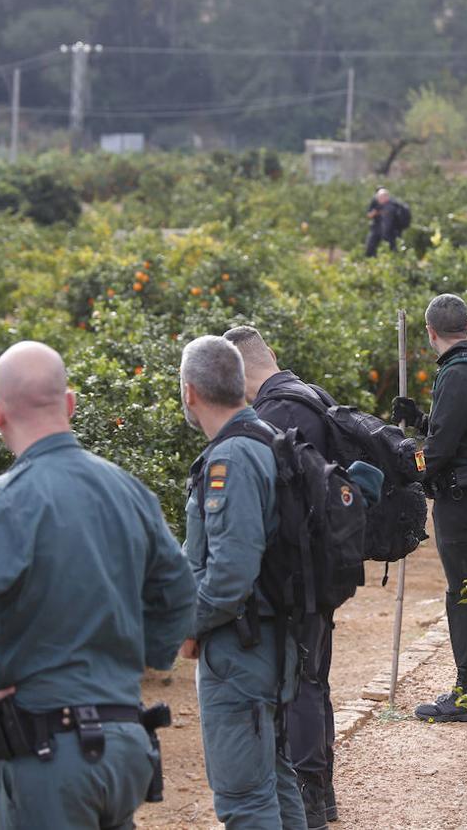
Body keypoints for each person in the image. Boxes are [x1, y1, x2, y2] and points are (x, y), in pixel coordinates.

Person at [0, 341, 195, 830]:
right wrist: (146, 656)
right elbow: (178, 590)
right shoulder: (128, 490)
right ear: (69, 403)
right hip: (126, 745)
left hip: (48, 757)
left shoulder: (5, 504)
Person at [226, 325, 356, 830]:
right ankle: (320, 794)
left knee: (299, 681)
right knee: (314, 679)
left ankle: (308, 795)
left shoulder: (277, 413)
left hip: (298, 572)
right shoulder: (312, 396)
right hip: (323, 567)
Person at [179, 335, 307, 829]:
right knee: (272, 778)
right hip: (269, 643)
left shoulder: (231, 458)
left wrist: (186, 625)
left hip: (240, 652)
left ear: (191, 392)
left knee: (244, 800)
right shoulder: (265, 437)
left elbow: (230, 574)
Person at [391, 294, 467, 722]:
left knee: (466, 591)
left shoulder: (456, 374)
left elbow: (437, 453)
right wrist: (422, 420)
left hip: (460, 497)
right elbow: (463, 432)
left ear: (430, 333)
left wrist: (404, 465)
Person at [364, 188, 399, 257]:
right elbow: (369, 215)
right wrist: (376, 212)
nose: (379, 199)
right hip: (377, 228)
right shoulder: (375, 203)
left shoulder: (392, 205)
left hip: (390, 230)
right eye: (378, 197)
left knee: (391, 247)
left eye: (380, 197)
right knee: (370, 246)